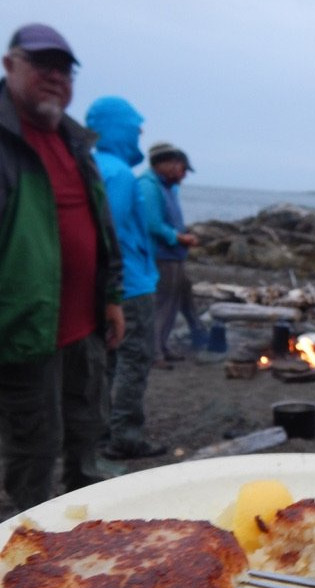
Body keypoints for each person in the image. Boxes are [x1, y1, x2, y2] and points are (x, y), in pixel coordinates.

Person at [0, 23, 124, 512]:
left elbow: (99, 226)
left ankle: (87, 531)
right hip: (25, 330)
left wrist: (111, 297)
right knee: (34, 449)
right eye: (42, 65)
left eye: (64, 70)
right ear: (10, 65)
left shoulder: (75, 143)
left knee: (87, 429)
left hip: (85, 327)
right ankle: (25, 550)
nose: (55, 77)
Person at [85, 96, 166, 460]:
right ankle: (125, 436)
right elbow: (109, 234)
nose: (140, 135)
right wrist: (116, 288)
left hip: (108, 286)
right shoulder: (117, 173)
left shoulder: (91, 165)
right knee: (134, 359)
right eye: (135, 128)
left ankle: (102, 430)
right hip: (130, 286)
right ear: (118, 129)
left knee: (110, 361)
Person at [138, 141, 205, 366]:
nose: (184, 175)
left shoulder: (167, 187)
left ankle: (163, 346)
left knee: (173, 304)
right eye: (182, 169)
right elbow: (152, 224)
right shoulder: (149, 186)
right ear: (168, 164)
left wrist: (183, 234)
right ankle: (154, 353)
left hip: (174, 256)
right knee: (162, 305)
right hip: (160, 256)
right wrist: (178, 238)